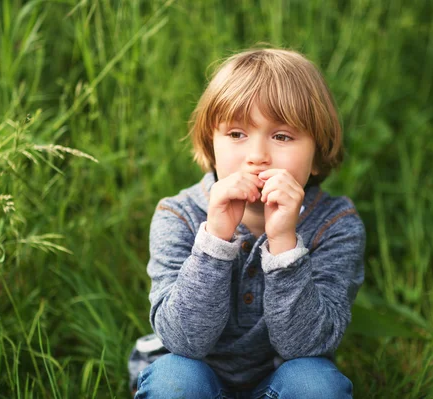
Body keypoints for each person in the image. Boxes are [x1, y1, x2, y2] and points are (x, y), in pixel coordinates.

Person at [131, 47, 366, 399]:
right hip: (200, 377)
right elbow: (182, 341)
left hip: (281, 380)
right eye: (237, 134)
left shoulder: (335, 225)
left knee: (318, 385)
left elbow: (307, 346)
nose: (257, 156)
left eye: (282, 136)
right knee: (173, 381)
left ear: (317, 154)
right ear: (211, 145)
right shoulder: (178, 215)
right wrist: (215, 238)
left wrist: (285, 242)